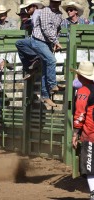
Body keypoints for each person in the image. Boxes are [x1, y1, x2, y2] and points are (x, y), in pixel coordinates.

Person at [16, 0, 64, 107]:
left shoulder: (59, 14)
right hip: (39, 40)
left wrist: (56, 41)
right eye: (53, 1)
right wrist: (56, 41)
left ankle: (45, 96)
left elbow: (57, 29)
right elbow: (46, 28)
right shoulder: (45, 11)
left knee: (46, 65)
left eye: (57, 2)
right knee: (51, 60)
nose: (54, 4)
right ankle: (52, 84)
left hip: (47, 42)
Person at [71, 61, 94, 200]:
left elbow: (80, 114)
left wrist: (75, 134)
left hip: (90, 133)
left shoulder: (83, 91)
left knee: (89, 165)